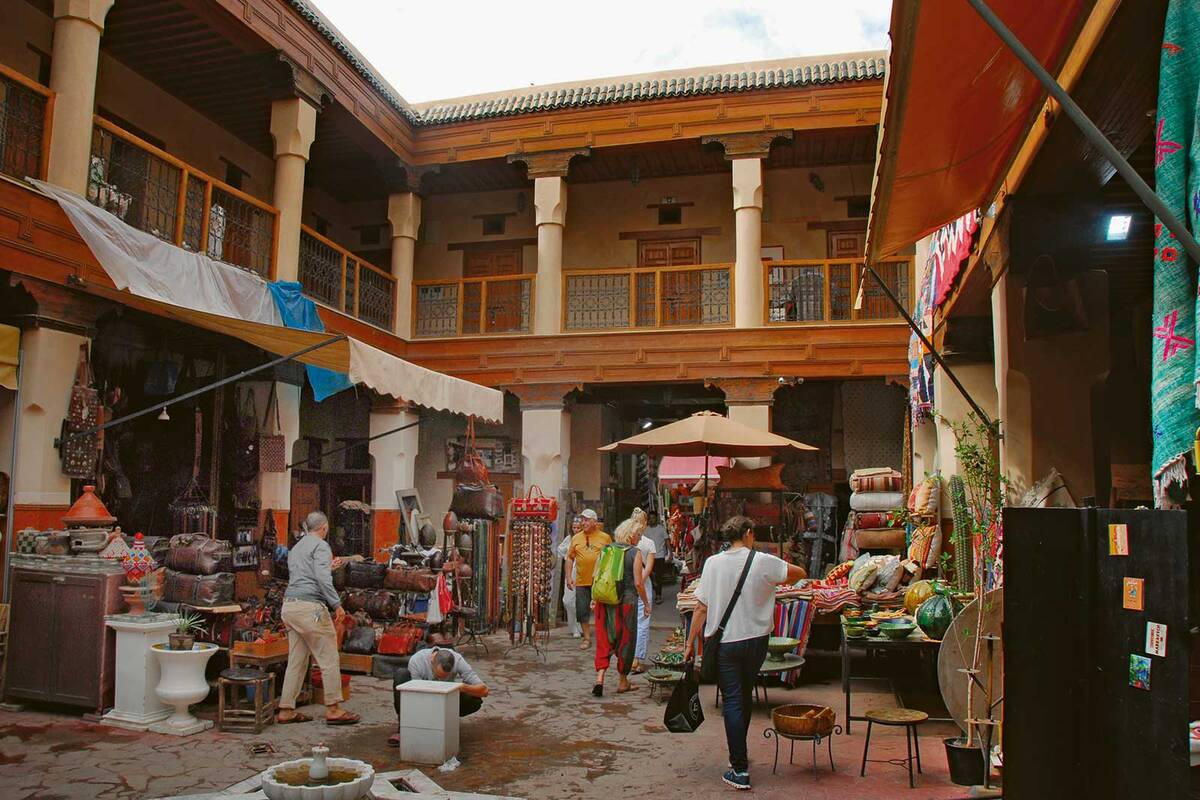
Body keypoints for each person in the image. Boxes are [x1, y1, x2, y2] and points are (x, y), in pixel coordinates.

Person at [684, 515, 805, 791]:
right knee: (744, 694)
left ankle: (739, 767)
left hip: (727, 643)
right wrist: (770, 585)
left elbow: (701, 607)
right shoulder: (764, 561)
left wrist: (690, 642)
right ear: (749, 533)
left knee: (733, 701)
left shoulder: (713, 563)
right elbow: (798, 573)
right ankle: (739, 753)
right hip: (757, 641)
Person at [276, 511, 359, 725]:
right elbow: (321, 579)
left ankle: (286, 709)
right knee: (329, 656)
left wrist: (327, 568)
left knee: (297, 660)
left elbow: (305, 574)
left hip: (290, 606)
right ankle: (333, 708)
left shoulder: (296, 548)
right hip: (310, 608)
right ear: (324, 528)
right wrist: (336, 604)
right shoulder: (321, 546)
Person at [592, 510, 651, 696]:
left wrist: (594, 599)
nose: (640, 539)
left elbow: (597, 576)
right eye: (638, 535)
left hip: (605, 600)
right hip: (627, 603)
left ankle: (599, 678)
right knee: (626, 640)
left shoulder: (606, 550)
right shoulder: (635, 553)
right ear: (631, 535)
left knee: (604, 638)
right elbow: (638, 583)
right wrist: (647, 604)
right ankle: (623, 681)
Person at [387, 647, 489, 747]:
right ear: (432, 660)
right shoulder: (417, 661)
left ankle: (445, 725)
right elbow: (414, 697)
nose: (441, 679)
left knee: (475, 700)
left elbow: (484, 691)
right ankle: (404, 729)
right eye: (438, 675)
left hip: (444, 699)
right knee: (401, 674)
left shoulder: (458, 660)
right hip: (422, 698)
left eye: (445, 676)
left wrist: (462, 687)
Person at [566, 509, 611, 651]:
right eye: (582, 520)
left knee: (602, 611)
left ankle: (604, 638)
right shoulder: (576, 538)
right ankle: (586, 638)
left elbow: (611, 559)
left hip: (600, 582)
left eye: (586, 520)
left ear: (594, 522)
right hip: (581, 581)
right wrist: (568, 577)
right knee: (582, 611)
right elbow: (569, 557)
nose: (583, 522)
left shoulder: (605, 538)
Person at [631, 514, 657, 674]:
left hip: (628, 584)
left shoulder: (625, 542)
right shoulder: (649, 543)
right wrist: (640, 579)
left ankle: (630, 658)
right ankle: (637, 659)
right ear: (645, 524)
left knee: (631, 622)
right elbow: (649, 567)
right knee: (642, 622)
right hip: (642, 584)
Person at [558, 516, 584, 638]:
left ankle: (579, 626)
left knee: (581, 601)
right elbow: (561, 550)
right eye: (574, 527)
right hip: (571, 571)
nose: (576, 529)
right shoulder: (569, 539)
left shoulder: (585, 539)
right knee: (568, 601)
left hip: (583, 572)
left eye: (578, 527)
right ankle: (573, 625)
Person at [642, 511, 669, 602]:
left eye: (653, 518)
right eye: (650, 518)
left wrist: (670, 552)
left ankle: (658, 595)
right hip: (648, 557)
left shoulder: (661, 529)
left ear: (656, 518)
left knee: (658, 576)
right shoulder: (645, 530)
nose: (651, 520)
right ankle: (653, 590)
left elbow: (666, 540)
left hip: (659, 556)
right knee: (650, 576)